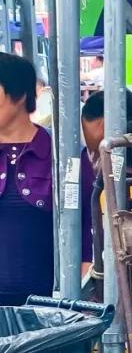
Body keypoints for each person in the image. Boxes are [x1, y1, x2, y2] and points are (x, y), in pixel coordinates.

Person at [0, 52, 92, 306]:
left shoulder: (63, 153)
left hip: (46, 306)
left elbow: (87, 220)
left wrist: (76, 294)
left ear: (18, 95)